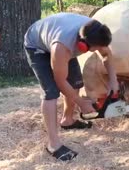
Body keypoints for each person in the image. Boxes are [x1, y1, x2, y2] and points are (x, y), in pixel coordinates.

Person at [24, 12, 119, 161]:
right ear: (83, 45)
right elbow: (60, 80)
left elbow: (106, 55)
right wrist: (81, 102)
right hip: (38, 47)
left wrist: (114, 81)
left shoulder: (96, 30)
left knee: (75, 83)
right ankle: (53, 145)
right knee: (51, 92)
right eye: (94, 48)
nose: (95, 51)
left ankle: (67, 120)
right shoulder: (62, 47)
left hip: (61, 39)